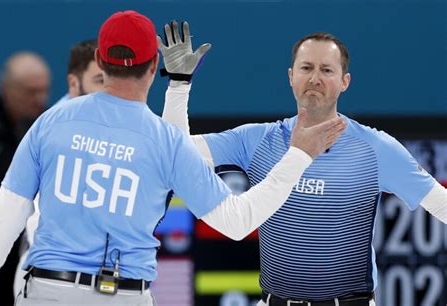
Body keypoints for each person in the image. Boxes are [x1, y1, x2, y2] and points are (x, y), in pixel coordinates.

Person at [0, 11, 345, 306]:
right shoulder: (164, 141)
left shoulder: (50, 122)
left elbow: (2, 220)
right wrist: (298, 155)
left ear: (101, 62)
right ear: (154, 65)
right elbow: (237, 221)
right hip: (124, 295)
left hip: (48, 292)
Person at [160, 25, 447, 306]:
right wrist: (178, 84)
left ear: (345, 81)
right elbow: (176, 155)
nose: (315, 78)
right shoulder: (258, 140)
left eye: (327, 70)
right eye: (307, 68)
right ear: (291, 76)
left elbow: (440, 203)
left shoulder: (374, 149)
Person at [12, 39, 104, 297]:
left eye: (112, 80)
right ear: (74, 84)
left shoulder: (108, 123)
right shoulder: (54, 133)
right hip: (50, 277)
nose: (108, 90)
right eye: (99, 80)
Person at [0, 52, 50, 306]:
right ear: (6, 88)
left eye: (43, 91)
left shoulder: (53, 133)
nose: (38, 99)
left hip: (37, 263)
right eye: (30, 91)